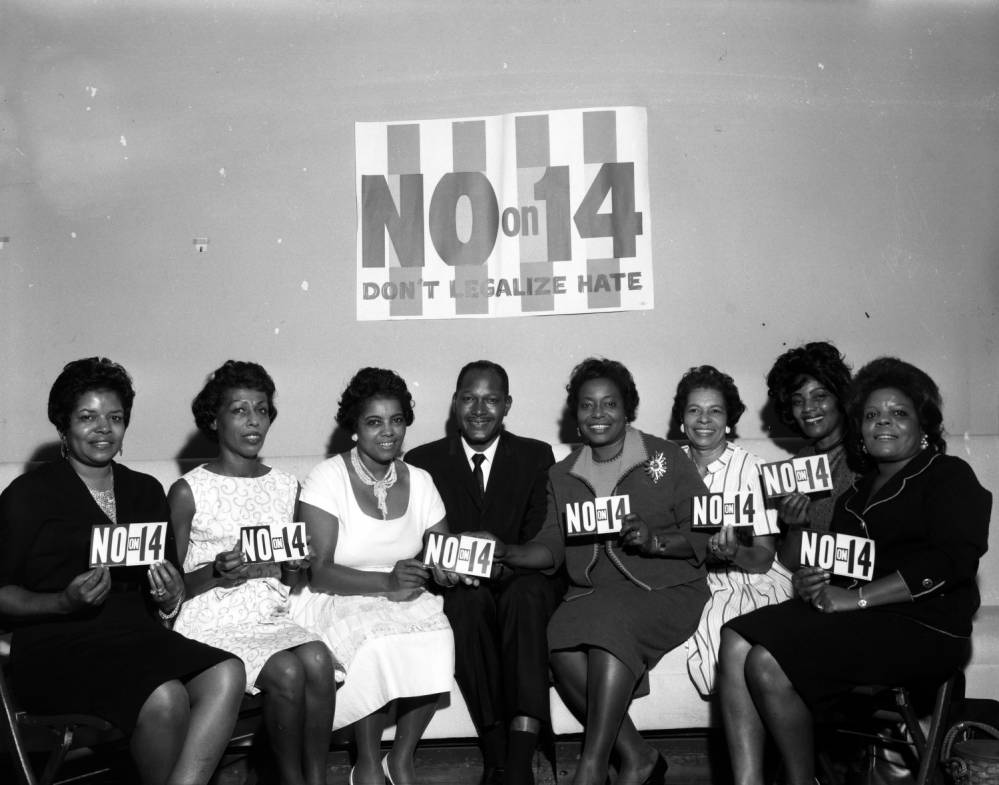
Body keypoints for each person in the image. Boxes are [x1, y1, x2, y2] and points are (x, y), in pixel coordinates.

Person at [719, 357, 992, 785]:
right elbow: (842, 569)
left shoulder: (949, 476)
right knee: (735, 637)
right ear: (859, 430)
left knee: (768, 661)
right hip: (865, 620)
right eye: (871, 415)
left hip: (927, 627)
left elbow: (949, 562)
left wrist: (857, 598)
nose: (883, 421)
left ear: (923, 425)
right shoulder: (855, 495)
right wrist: (813, 583)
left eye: (899, 413)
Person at [0, 357, 246, 785]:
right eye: (87, 417)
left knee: (228, 672)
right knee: (166, 695)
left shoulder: (145, 490)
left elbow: (168, 592)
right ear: (63, 425)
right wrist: (62, 602)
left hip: (137, 639)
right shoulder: (28, 495)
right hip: (56, 648)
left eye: (115, 418)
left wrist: (169, 596)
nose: (103, 429)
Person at [492, 358, 710, 785]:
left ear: (627, 410)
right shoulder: (562, 474)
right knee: (558, 638)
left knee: (609, 627)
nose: (598, 414)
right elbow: (551, 544)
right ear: (575, 414)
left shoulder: (665, 457)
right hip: (594, 592)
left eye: (609, 404)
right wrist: (508, 552)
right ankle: (639, 758)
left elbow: (701, 532)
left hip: (665, 585)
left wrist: (655, 540)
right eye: (587, 404)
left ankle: (591, 767)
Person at [168, 361, 337, 785]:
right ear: (214, 419)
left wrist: (296, 566)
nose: (253, 421)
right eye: (239, 410)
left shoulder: (286, 485)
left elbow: (292, 580)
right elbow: (170, 592)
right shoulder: (188, 491)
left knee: (318, 658)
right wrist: (216, 571)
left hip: (269, 616)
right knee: (287, 671)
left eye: (261, 410)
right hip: (211, 621)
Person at [291, 367, 459, 785]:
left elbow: (442, 554)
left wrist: (449, 572)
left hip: (402, 592)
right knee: (376, 643)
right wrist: (387, 584)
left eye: (396, 420)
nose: (388, 432)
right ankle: (366, 762)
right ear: (354, 428)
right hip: (337, 592)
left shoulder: (421, 481)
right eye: (374, 422)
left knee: (438, 634)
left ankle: (400, 759)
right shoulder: (326, 478)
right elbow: (319, 571)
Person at [405, 360, 563, 785]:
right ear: (455, 402)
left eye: (490, 399)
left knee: (526, 595)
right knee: (466, 604)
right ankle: (497, 756)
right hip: (460, 587)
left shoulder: (535, 455)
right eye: (469, 398)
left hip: (519, 578)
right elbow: (419, 542)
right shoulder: (422, 461)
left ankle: (520, 759)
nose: (479, 409)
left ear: (507, 405)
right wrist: (440, 569)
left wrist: (497, 557)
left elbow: (538, 538)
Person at [671, 366, 792, 696]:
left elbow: (764, 558)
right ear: (682, 419)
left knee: (725, 631)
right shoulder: (668, 465)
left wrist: (734, 552)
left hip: (744, 576)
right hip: (688, 578)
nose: (704, 419)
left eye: (715, 411)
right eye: (694, 410)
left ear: (729, 420)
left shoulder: (753, 469)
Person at [765, 341, 854, 570]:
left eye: (820, 396)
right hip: (808, 581)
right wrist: (797, 528)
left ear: (840, 398)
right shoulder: (793, 467)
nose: (807, 408)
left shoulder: (866, 456)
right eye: (797, 400)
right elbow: (787, 565)